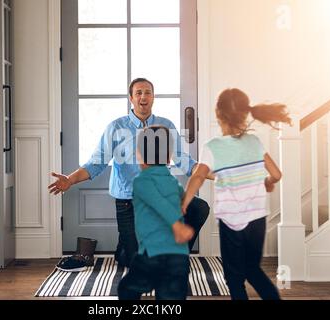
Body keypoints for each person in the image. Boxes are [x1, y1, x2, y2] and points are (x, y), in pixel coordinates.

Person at [49, 78, 210, 268]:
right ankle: (126, 248)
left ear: (153, 97)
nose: (143, 96)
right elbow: (96, 163)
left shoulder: (165, 125)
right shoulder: (116, 128)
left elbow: (184, 161)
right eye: (138, 92)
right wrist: (69, 179)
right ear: (131, 98)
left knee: (199, 208)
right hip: (129, 202)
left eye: (148, 92)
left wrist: (211, 173)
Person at [182, 88, 291, 300]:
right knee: (252, 269)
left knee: (234, 277)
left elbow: (198, 176)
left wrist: (186, 200)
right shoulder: (255, 142)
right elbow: (277, 174)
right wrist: (268, 182)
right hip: (257, 219)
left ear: (218, 114)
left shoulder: (212, 147)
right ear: (245, 114)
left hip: (231, 221)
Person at [118, 125, 194, 300]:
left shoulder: (141, 182)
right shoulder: (173, 182)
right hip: (179, 257)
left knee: (126, 289)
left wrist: (176, 225)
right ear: (168, 158)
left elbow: (159, 203)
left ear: (139, 157)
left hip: (152, 254)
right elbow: (181, 201)